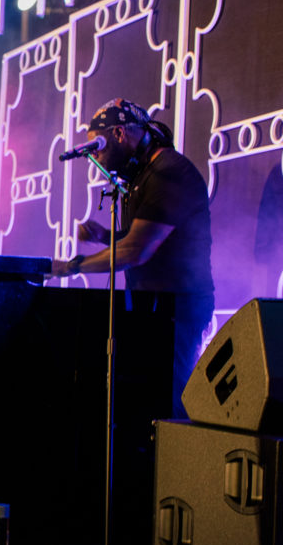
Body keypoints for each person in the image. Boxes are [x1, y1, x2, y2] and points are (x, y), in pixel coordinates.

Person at [50, 98, 214, 418]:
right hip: (153, 305)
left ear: (119, 134)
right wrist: (105, 236)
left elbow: (137, 250)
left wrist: (70, 267)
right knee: (148, 402)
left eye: (97, 146)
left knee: (170, 403)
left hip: (178, 307)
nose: (95, 157)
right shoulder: (142, 176)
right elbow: (142, 238)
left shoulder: (168, 172)